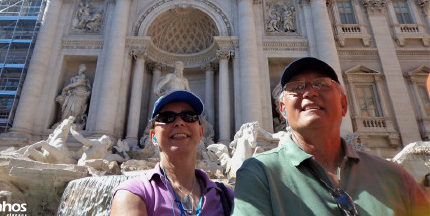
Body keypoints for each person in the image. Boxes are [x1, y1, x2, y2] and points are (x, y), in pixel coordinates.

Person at [233, 57, 429, 215]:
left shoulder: (395, 176)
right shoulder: (258, 174)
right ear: (283, 110)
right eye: (296, 88)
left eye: (322, 84)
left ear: (344, 104)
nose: (309, 92)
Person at [111, 89, 234, 216]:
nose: (179, 122)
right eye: (167, 117)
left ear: (201, 133)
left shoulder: (227, 197)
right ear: (153, 136)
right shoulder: (133, 193)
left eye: (189, 116)